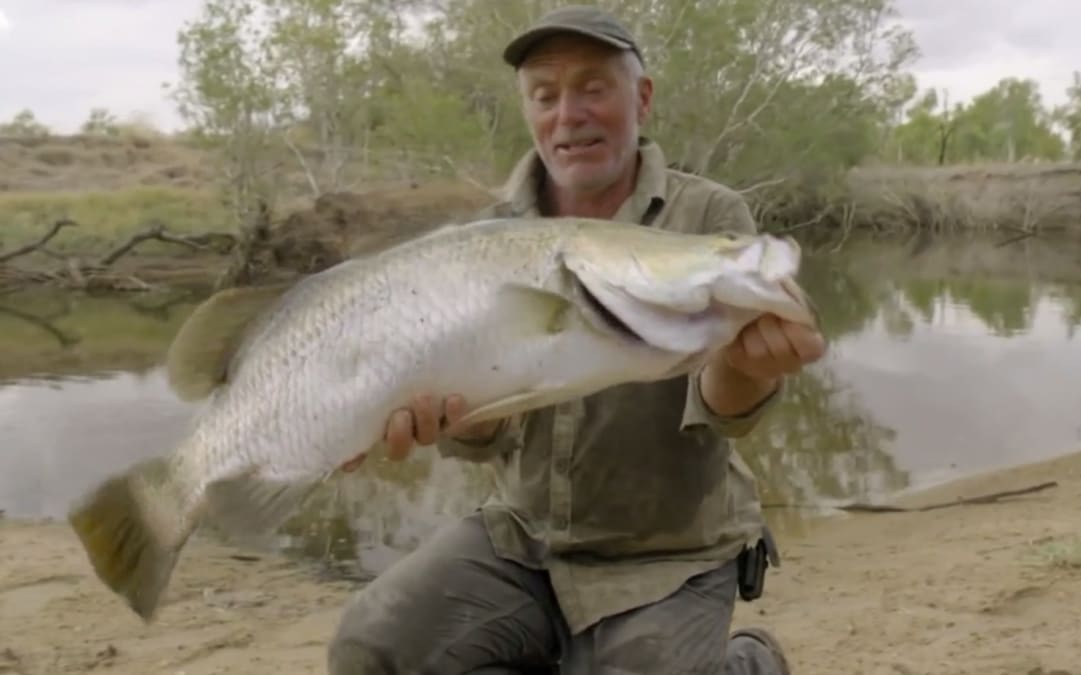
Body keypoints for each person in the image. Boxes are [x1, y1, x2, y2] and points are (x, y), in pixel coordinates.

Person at [327, 5, 826, 674]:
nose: (569, 114)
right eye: (546, 94)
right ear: (529, 110)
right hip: (521, 539)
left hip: (666, 555)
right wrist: (444, 414)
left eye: (594, 87)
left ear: (640, 98)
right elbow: (483, 436)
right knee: (372, 648)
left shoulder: (707, 218)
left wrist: (751, 365)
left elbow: (728, 413)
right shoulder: (487, 235)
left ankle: (750, 664)